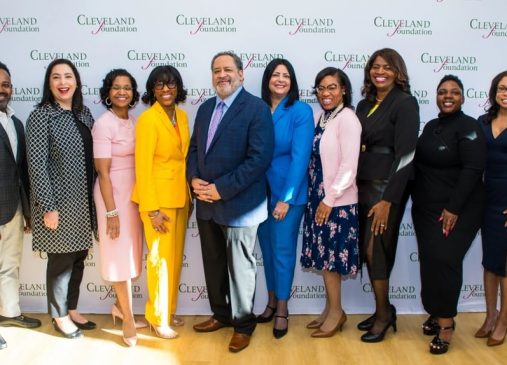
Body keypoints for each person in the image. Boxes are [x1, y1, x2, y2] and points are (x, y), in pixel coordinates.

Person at [187, 51, 274, 353]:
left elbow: (258, 159)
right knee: (213, 264)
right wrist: (193, 178)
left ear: (241, 74)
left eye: (227, 69)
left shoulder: (257, 109)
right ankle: (221, 315)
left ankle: (242, 324)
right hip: (206, 204)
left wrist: (221, 189)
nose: (221, 75)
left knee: (240, 268)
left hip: (240, 205)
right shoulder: (205, 108)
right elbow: (195, 149)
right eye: (216, 70)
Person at [412, 75, 486, 354]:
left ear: (463, 98)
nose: (448, 96)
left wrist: (453, 208)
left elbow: (472, 169)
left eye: (454, 92)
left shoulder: (470, 127)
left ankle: (446, 324)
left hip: (460, 210)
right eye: (443, 92)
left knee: (445, 262)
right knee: (430, 262)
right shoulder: (431, 126)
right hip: (426, 211)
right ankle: (434, 311)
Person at [26, 59, 96, 339]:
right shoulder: (41, 116)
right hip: (58, 203)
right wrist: (48, 206)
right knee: (60, 262)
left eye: (68, 76)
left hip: (83, 202)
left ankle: (72, 308)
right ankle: (58, 315)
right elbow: (36, 164)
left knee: (79, 257)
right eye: (56, 77)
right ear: (49, 84)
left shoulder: (84, 114)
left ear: (76, 81)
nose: (63, 82)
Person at [355, 48, 419, 342]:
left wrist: (388, 200)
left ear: (398, 72)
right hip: (363, 186)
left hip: (386, 189)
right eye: (375, 67)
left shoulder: (405, 103)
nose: (380, 71)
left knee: (375, 251)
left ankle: (384, 315)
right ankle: (382, 308)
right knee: (368, 252)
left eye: (387, 67)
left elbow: (406, 155)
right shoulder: (362, 104)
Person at [131, 65, 191, 339]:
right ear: (151, 90)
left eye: (170, 84)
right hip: (157, 203)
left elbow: (183, 158)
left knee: (174, 260)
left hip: (181, 197)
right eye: (159, 85)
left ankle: (168, 310)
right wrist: (152, 209)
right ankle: (156, 318)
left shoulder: (182, 116)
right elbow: (142, 167)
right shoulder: (147, 120)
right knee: (159, 261)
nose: (165, 90)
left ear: (178, 87)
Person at [301, 67, 361, 338]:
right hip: (317, 198)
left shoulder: (348, 118)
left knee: (331, 260)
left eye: (332, 87)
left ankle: (337, 313)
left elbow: (349, 166)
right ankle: (331, 308)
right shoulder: (320, 117)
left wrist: (329, 199)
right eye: (321, 88)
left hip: (337, 202)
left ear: (343, 90)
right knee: (324, 258)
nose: (326, 93)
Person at [256, 58, 314, 339]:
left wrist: (286, 199)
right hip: (258, 195)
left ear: (292, 82)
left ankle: (282, 308)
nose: (280, 79)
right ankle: (269, 301)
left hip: (287, 196)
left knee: (282, 251)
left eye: (286, 75)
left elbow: (300, 158)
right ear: (267, 79)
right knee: (266, 250)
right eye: (275, 75)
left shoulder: (300, 111)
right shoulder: (258, 109)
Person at [92, 69, 144, 347]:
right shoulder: (103, 124)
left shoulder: (135, 121)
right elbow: (102, 172)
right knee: (119, 256)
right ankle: (128, 319)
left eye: (127, 87)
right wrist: (111, 212)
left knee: (132, 254)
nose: (122, 92)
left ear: (134, 93)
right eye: (116, 87)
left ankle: (119, 306)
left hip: (134, 196)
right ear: (108, 93)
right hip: (112, 196)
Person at [0, 61, 41, 350]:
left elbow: (21, 170)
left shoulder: (16, 122)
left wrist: (27, 211)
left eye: (5, 83)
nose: (2, 89)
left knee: (10, 263)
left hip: (12, 206)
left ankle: (10, 311)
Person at [475, 70, 507, 347]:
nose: (505, 93)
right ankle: (489, 316)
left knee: (505, 267)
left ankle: (504, 322)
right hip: (486, 200)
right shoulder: (482, 122)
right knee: (489, 263)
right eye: (501, 88)